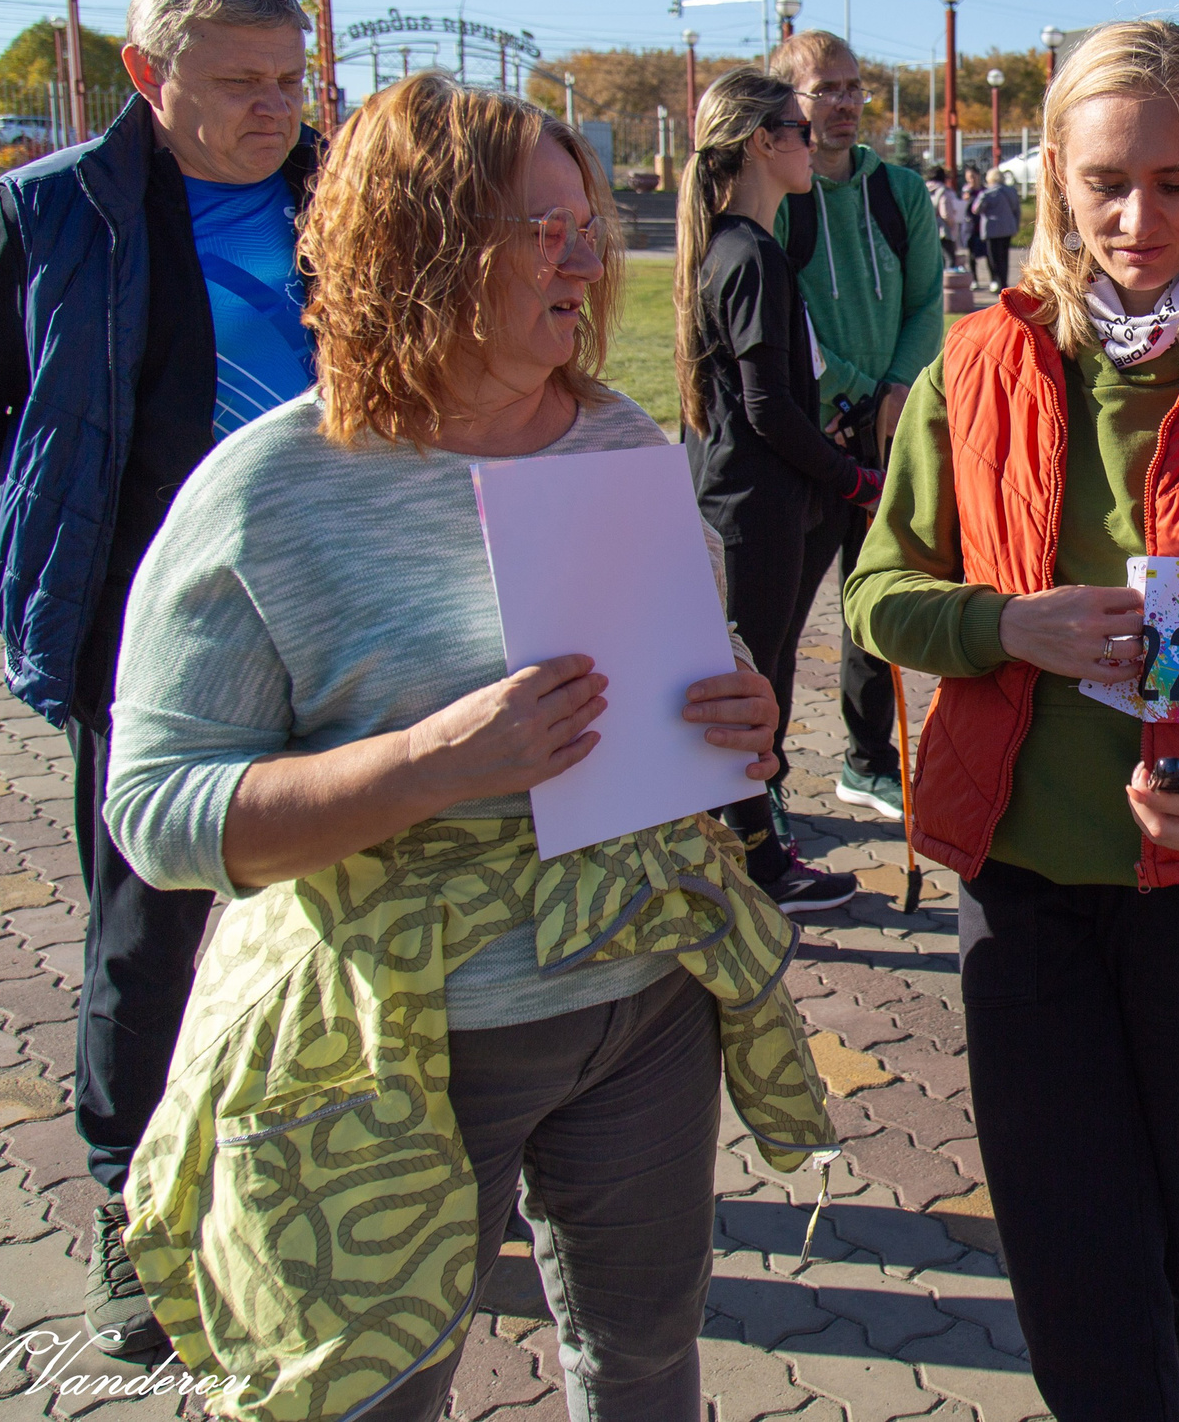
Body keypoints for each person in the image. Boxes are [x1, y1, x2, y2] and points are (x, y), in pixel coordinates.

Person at [103, 72, 829, 1420]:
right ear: (420, 245)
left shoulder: (618, 437)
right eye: (539, 230)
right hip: (399, 1039)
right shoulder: (268, 491)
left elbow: (676, 689)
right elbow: (157, 809)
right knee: (377, 1388)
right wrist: (432, 762)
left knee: (647, 1353)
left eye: (588, 225)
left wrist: (733, 710)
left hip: (645, 1002)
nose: (588, 259)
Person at [846, 20, 1179, 1421]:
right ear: (1054, 181)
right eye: (1104, 183)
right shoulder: (975, 363)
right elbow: (881, 592)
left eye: (1177, 184)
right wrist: (1004, 623)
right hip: (1022, 873)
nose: (1139, 221)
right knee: (1074, 1247)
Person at [0, 0, 318, 1361]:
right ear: (147, 77)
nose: (278, 108)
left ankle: (327, 1164)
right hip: (148, 641)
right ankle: (128, 1208)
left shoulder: (351, 195)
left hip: (337, 617)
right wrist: (82, 521)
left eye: (291, 76)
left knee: (355, 902)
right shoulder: (46, 214)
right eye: (241, 83)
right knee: (146, 932)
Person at [675, 67, 870, 913]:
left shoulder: (734, 244)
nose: (813, 139)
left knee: (759, 674)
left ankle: (747, 848)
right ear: (763, 141)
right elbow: (763, 408)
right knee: (756, 685)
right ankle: (756, 862)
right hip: (751, 506)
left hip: (744, 497)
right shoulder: (748, 251)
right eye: (797, 127)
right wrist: (851, 474)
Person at [769, 31, 944, 825]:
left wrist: (899, 388)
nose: (843, 103)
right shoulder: (783, 193)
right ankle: (758, 780)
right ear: (789, 102)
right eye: (824, 89)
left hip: (888, 428)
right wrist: (845, 394)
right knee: (777, 616)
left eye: (853, 86)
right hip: (809, 438)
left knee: (874, 598)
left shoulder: (899, 192)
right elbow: (783, 314)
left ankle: (868, 760)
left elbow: (925, 301)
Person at [971, 160, 1021, 288]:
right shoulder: (1011, 191)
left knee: (993, 258)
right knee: (1004, 256)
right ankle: (1004, 282)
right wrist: (1016, 225)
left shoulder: (987, 194)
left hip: (991, 229)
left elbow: (976, 209)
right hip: (1008, 228)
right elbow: (1017, 209)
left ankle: (997, 281)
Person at [925, 164, 966, 270]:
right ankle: (946, 282)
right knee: (949, 258)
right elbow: (945, 213)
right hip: (943, 230)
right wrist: (953, 224)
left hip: (928, 228)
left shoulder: (924, 189)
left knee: (934, 259)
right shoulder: (943, 191)